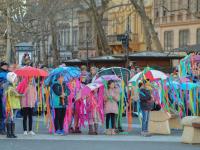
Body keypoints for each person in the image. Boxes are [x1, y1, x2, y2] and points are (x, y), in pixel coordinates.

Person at [5, 72, 21, 138]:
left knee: (12, 119)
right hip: (10, 105)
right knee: (9, 118)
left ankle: (12, 133)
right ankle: (9, 133)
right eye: (15, 78)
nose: (17, 79)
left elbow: (17, 95)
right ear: (12, 78)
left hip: (14, 105)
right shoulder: (9, 86)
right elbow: (7, 95)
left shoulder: (14, 86)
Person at [0, 61, 9, 135]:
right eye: (5, 66)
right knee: (3, 112)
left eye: (7, 66)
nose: (6, 67)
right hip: (2, 94)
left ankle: (3, 128)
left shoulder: (8, 73)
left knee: (4, 113)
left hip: (6, 94)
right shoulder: (2, 74)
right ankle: (2, 129)